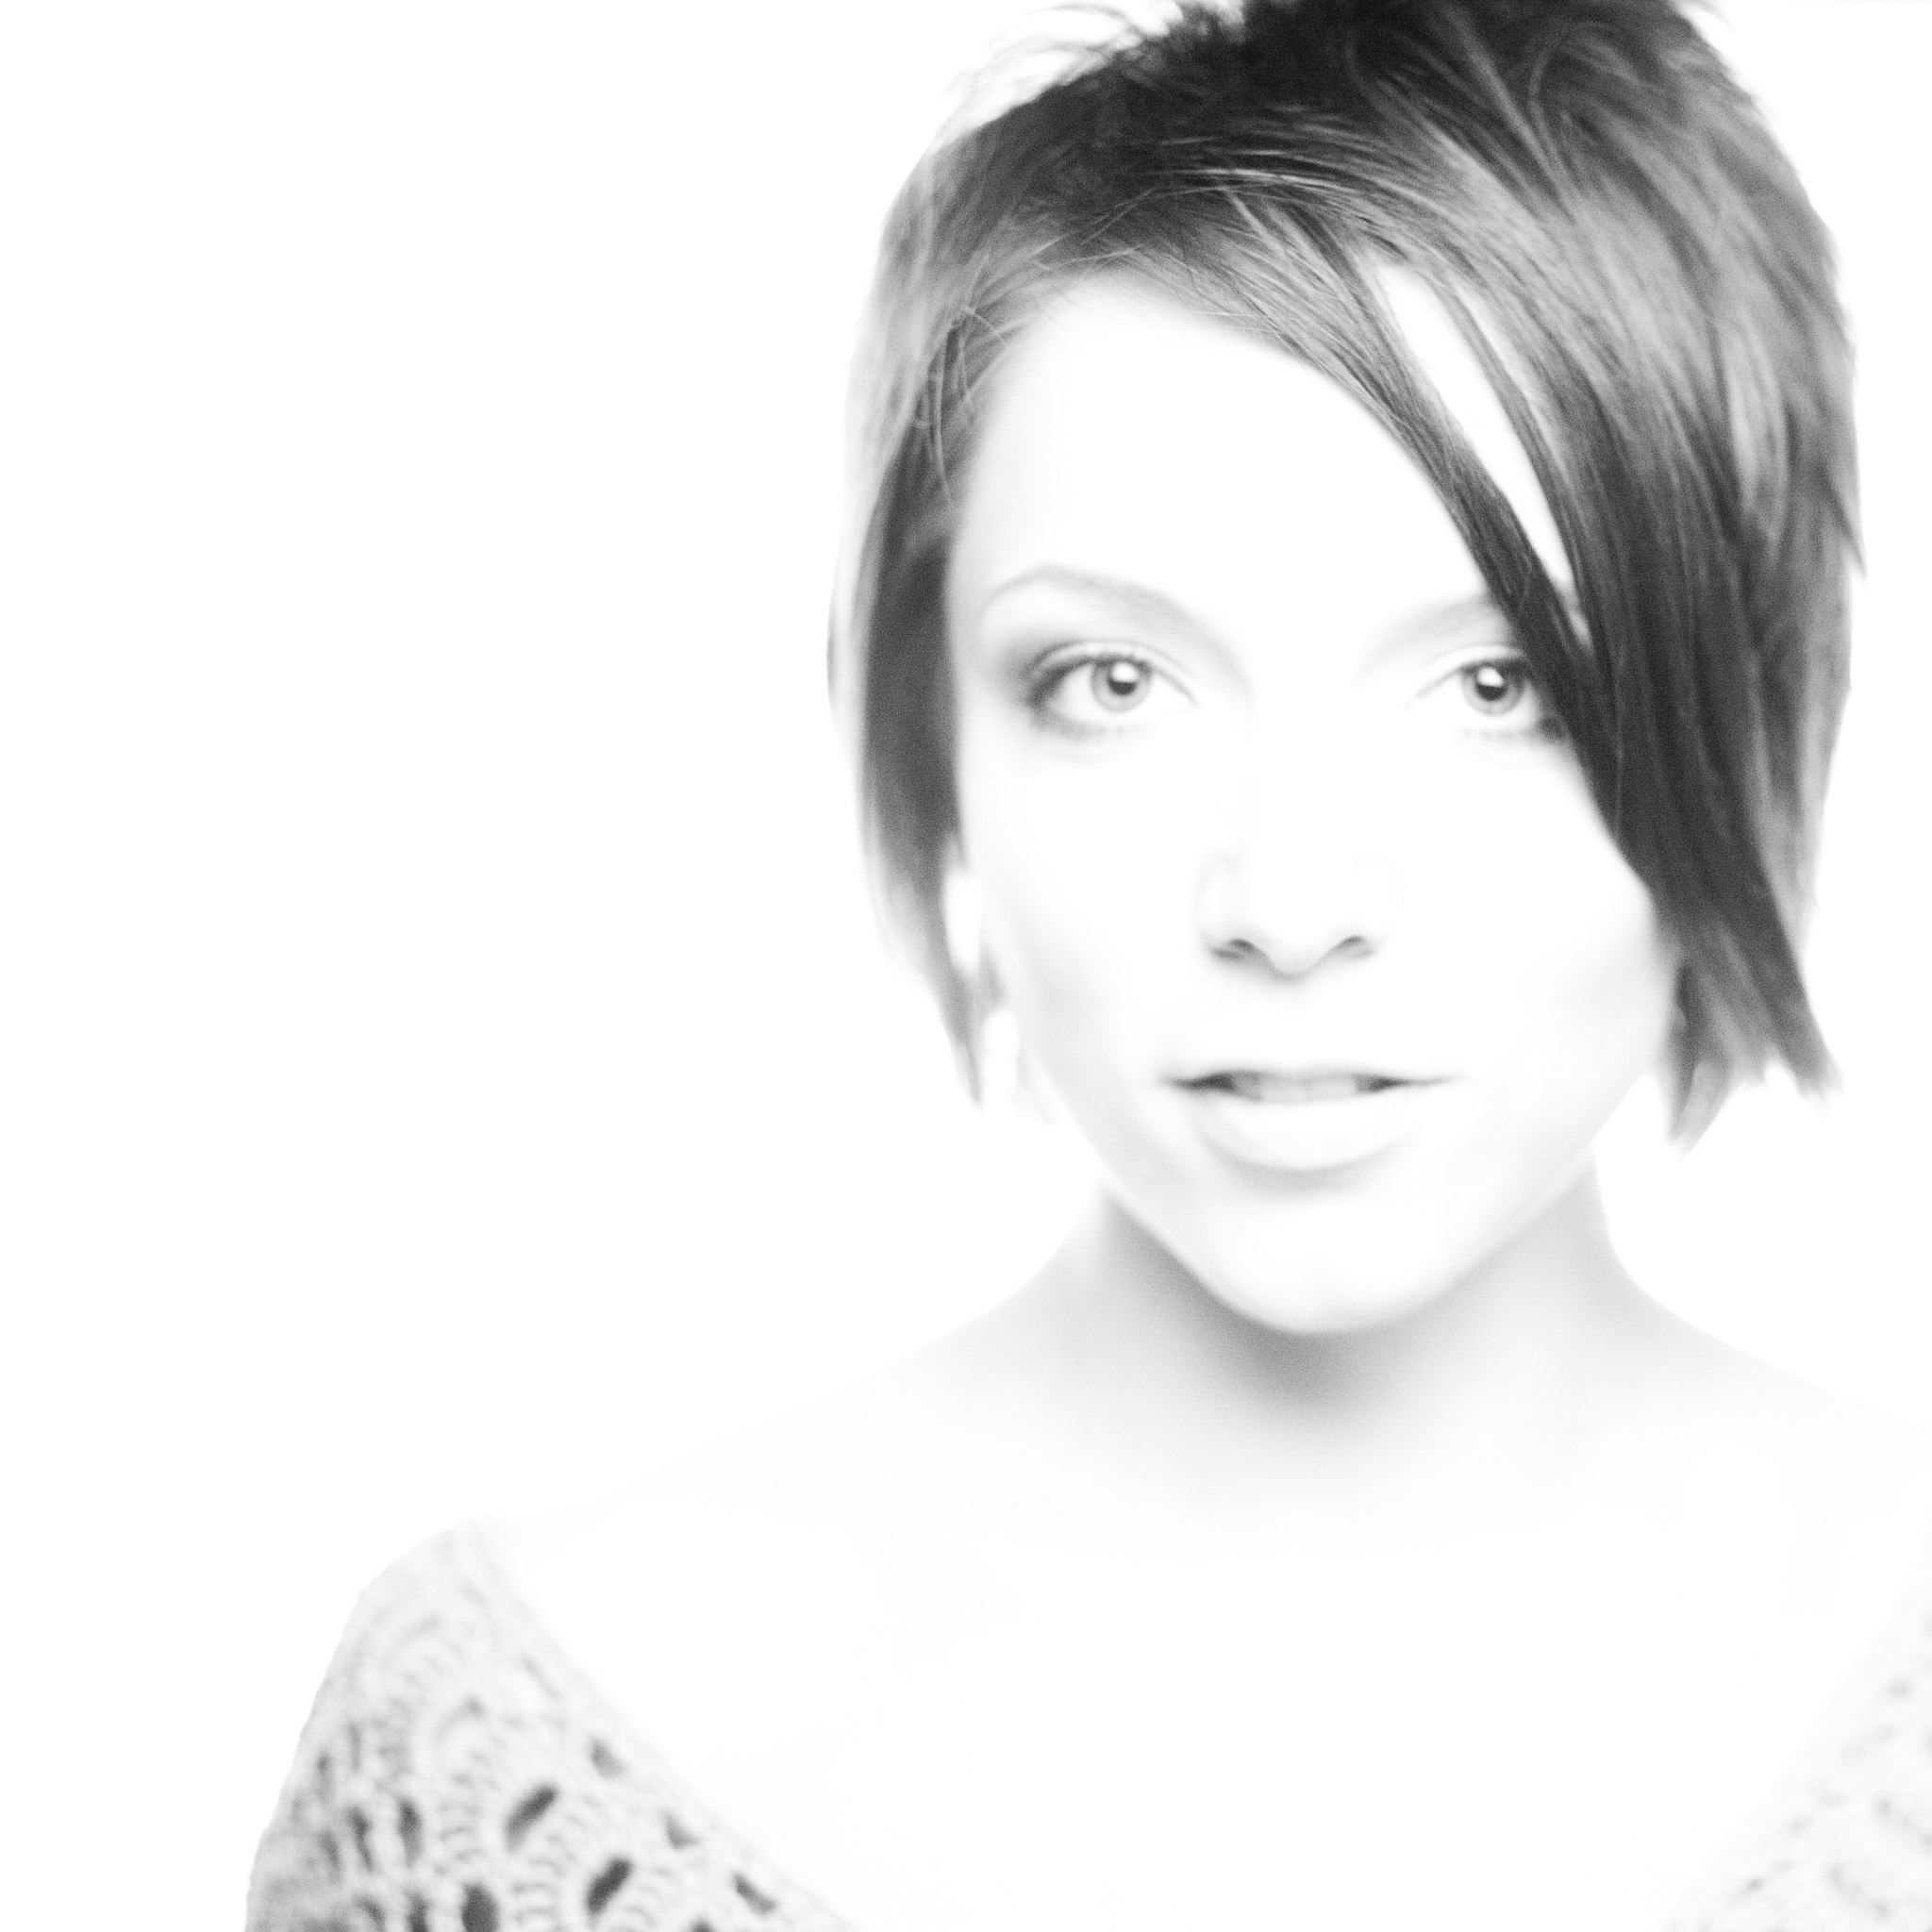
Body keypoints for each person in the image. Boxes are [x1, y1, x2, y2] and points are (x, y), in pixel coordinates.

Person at [246, 2, 1932, 1927]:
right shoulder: (511, 1745)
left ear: (1755, 708)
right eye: (1113, 681)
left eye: (1501, 682)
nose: (1288, 899)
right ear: (938, 738)